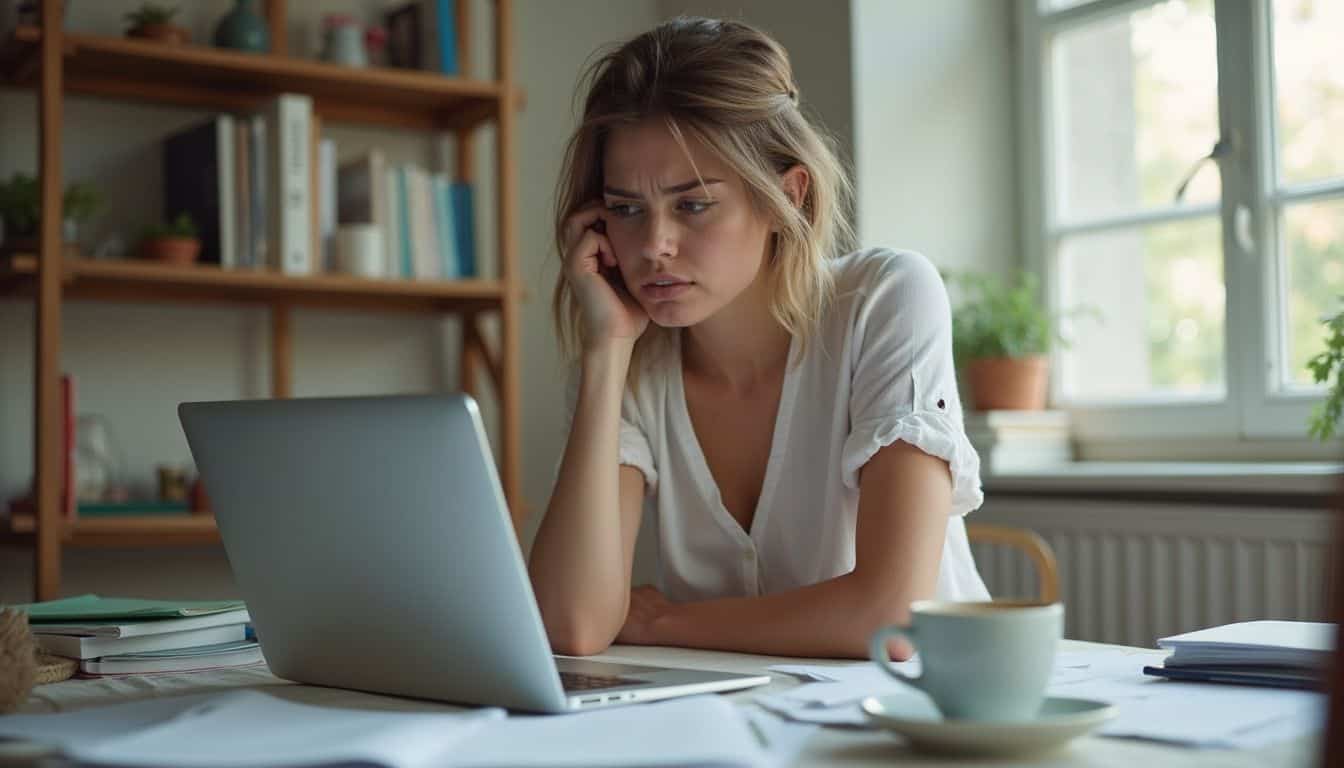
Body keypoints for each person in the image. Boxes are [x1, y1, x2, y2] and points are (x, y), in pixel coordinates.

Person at [528, 16, 990, 660]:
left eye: (692, 204)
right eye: (627, 209)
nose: (653, 246)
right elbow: (571, 626)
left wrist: (666, 623)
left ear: (786, 197)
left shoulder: (884, 298)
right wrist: (605, 355)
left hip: (936, 717)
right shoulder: (631, 355)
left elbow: (895, 617)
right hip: (750, 720)